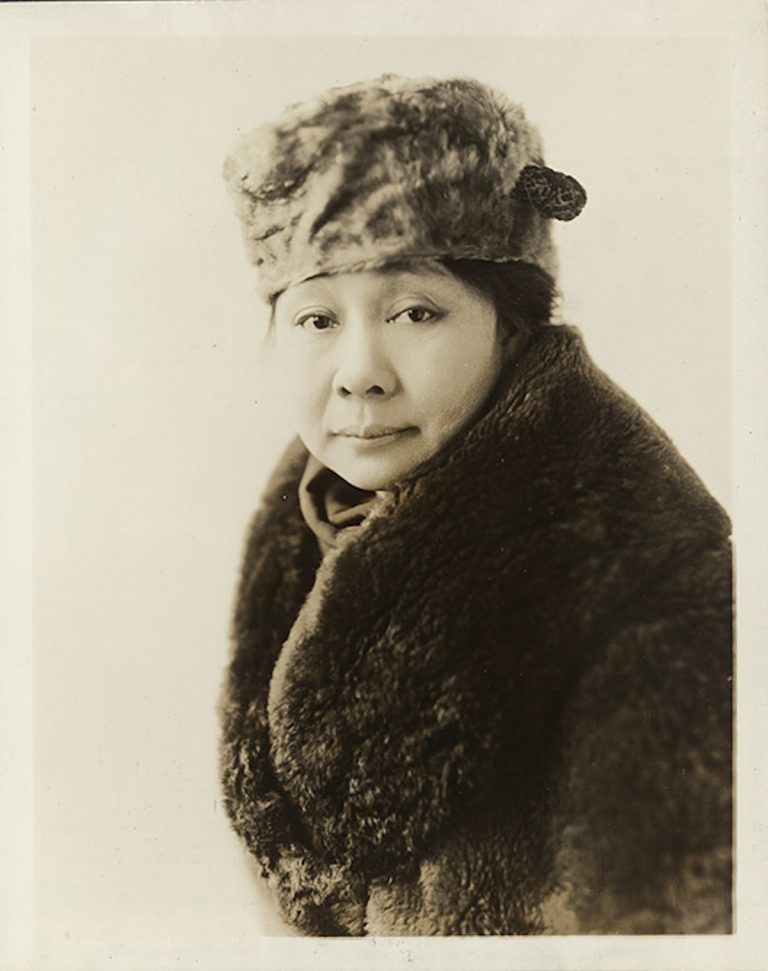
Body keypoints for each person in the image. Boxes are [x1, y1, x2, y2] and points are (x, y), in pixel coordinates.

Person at [217, 74, 732, 936]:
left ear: (513, 326)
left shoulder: (659, 586)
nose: (359, 372)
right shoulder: (307, 530)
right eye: (316, 319)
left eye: (416, 312)